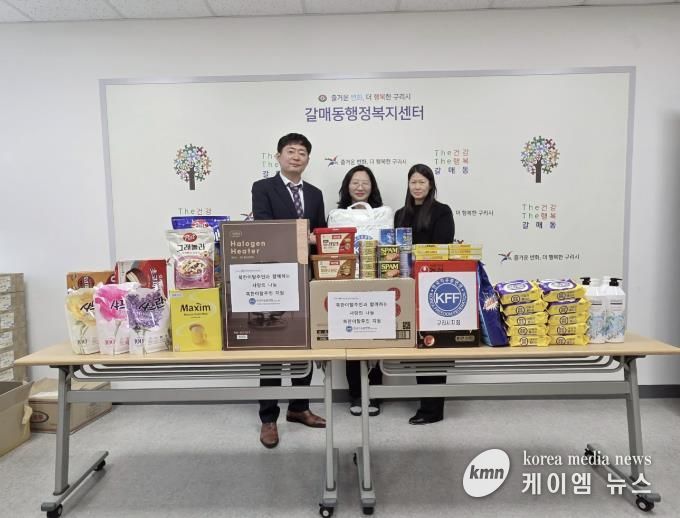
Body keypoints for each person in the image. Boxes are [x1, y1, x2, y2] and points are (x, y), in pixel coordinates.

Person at [251, 133, 327, 448]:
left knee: (302, 344)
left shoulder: (315, 193)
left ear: (308, 159)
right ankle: (268, 418)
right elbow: (265, 229)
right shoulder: (263, 188)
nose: (296, 157)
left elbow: (320, 234)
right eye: (291, 151)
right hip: (273, 275)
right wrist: (302, 236)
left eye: (302, 152)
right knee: (271, 347)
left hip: (306, 275)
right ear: (278, 156)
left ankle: (299, 407)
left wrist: (316, 239)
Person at [394, 164, 455, 425]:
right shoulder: (400, 214)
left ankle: (433, 409)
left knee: (434, 345)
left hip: (434, 287)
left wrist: (416, 257)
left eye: (422, 182)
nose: (417, 186)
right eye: (413, 182)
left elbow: (443, 248)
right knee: (419, 346)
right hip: (408, 287)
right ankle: (425, 403)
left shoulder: (442, 211)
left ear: (430, 185)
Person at [335, 165, 385, 417]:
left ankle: (374, 393)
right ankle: (355, 394)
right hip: (347, 283)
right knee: (351, 339)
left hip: (377, 283)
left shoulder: (383, 214)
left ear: (372, 187)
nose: (360, 187)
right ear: (347, 186)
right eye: (355, 182)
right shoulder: (338, 215)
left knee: (377, 338)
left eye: (365, 182)